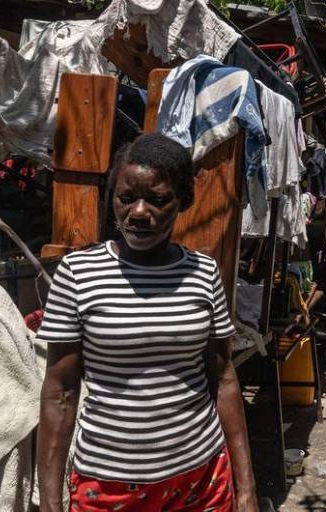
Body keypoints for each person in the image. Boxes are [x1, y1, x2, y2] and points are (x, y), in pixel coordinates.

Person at [37, 134, 259, 512]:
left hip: (201, 482)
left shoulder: (203, 274)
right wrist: (50, 503)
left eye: (157, 200)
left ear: (183, 201)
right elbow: (60, 393)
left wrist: (247, 490)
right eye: (126, 198)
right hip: (107, 488)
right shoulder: (77, 275)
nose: (139, 212)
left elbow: (223, 379)